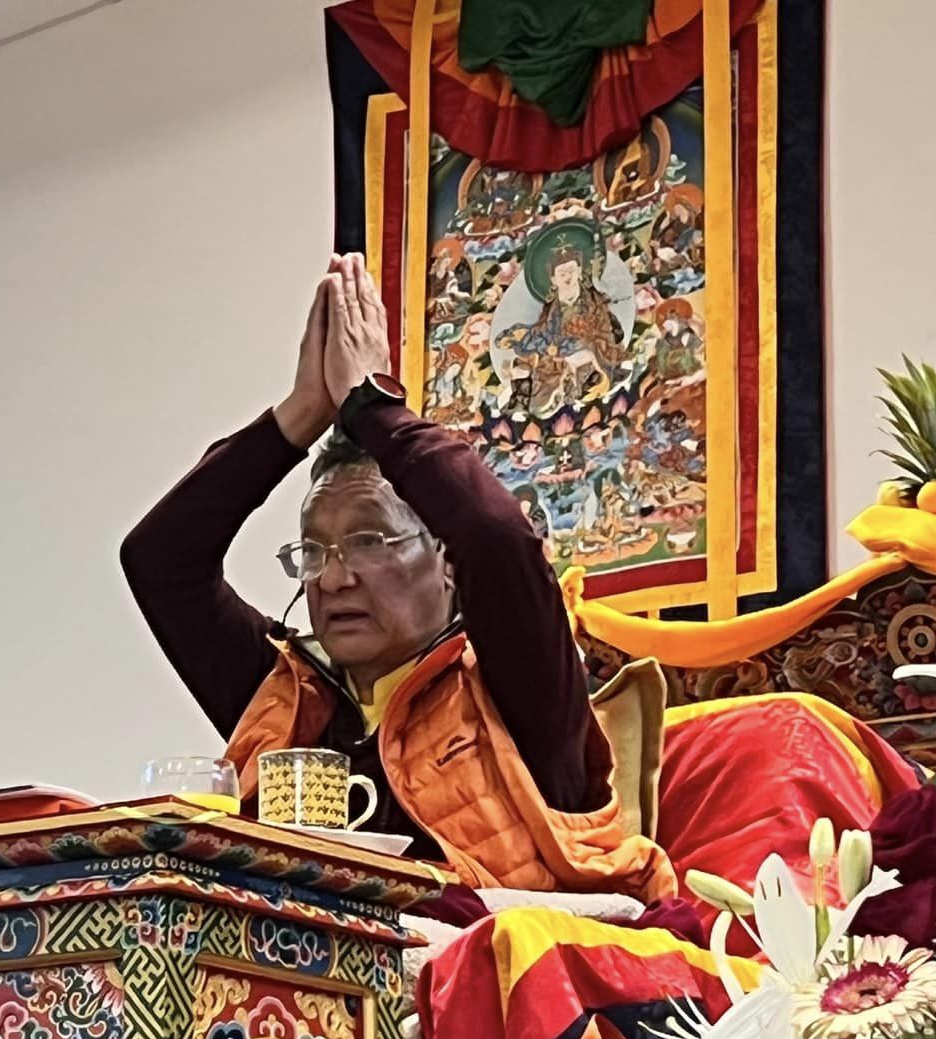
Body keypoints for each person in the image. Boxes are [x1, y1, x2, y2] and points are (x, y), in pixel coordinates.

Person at [122, 254, 669, 902]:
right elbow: (159, 561)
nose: (333, 578)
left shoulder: (518, 684)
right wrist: (298, 416)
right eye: (314, 551)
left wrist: (369, 405)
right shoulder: (288, 697)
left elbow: (498, 539)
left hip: (487, 957)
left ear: (446, 559)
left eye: (367, 541)